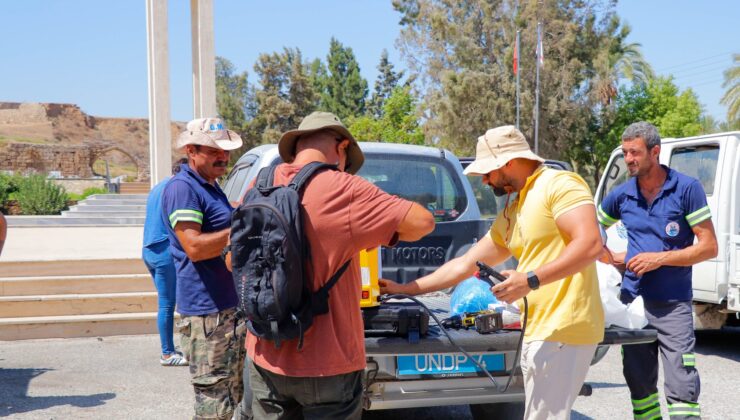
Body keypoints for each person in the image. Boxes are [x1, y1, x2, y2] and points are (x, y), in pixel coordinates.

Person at [381, 125, 605, 420]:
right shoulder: (516, 206)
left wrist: (530, 280)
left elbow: (590, 244)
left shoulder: (560, 184)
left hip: (565, 327)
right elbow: (466, 263)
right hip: (540, 329)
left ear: (509, 161)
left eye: (488, 171)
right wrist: (407, 289)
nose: (485, 180)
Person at [243, 111, 435, 420]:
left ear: (297, 146)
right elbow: (423, 222)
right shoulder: (344, 188)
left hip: (265, 353)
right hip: (327, 362)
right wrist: (368, 230)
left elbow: (232, 259)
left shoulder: (261, 183)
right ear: (342, 146)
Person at [598, 122, 717, 420]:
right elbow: (591, 227)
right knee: (640, 388)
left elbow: (709, 247)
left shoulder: (687, 189)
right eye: (625, 153)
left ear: (655, 151)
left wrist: (658, 259)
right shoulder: (621, 194)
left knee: (682, 386)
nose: (628, 159)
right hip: (632, 304)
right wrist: (609, 256)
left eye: (635, 152)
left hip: (673, 306)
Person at [162, 117, 246, 420]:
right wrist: (243, 223)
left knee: (229, 397)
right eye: (213, 151)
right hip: (206, 314)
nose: (223, 156)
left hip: (226, 309)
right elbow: (194, 248)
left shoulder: (210, 186)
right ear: (191, 150)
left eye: (225, 151)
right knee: (213, 405)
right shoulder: (183, 188)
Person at [142, 157, 189, 366]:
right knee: (168, 304)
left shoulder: (158, 187)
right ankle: (167, 354)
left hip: (149, 250)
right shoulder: (175, 189)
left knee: (167, 302)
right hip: (164, 252)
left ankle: (170, 348)